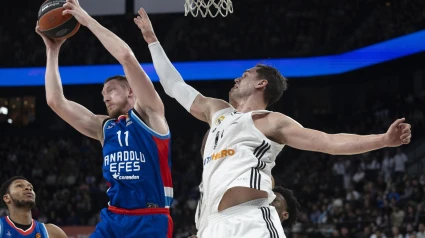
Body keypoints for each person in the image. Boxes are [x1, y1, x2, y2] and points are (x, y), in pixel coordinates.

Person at [134, 8, 412, 238]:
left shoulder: (271, 122)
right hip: (209, 227)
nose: (236, 79)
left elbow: (328, 142)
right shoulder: (216, 111)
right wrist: (152, 41)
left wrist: (383, 140)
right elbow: (173, 85)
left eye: (245, 74)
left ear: (261, 83)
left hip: (250, 222)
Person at [35, 0, 173, 237]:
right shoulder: (104, 127)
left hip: (149, 218)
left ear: (131, 91)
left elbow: (126, 56)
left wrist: (85, 19)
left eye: (111, 90)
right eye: (102, 94)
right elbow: (55, 102)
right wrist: (52, 50)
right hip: (113, 217)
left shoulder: (151, 113)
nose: (105, 98)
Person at [0, 176, 67, 238]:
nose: (28, 188)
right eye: (19, 186)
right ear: (7, 198)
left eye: (31, 187)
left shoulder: (52, 233)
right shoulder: (1, 228)